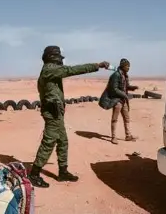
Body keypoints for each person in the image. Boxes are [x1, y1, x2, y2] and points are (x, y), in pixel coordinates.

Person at [28, 46, 109, 188]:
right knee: (48, 142)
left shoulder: (50, 70)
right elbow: (72, 70)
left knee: (63, 141)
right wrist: (97, 65)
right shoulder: (50, 69)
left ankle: (63, 172)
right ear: (53, 58)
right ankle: (34, 174)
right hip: (52, 114)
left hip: (56, 114)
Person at [98, 58, 138, 144]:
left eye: (129, 66)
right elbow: (114, 89)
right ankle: (113, 137)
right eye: (127, 66)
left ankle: (128, 135)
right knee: (114, 119)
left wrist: (132, 88)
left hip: (123, 100)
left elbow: (126, 86)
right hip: (116, 100)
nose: (128, 68)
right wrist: (124, 95)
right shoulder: (116, 75)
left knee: (126, 118)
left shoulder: (125, 75)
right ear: (123, 66)